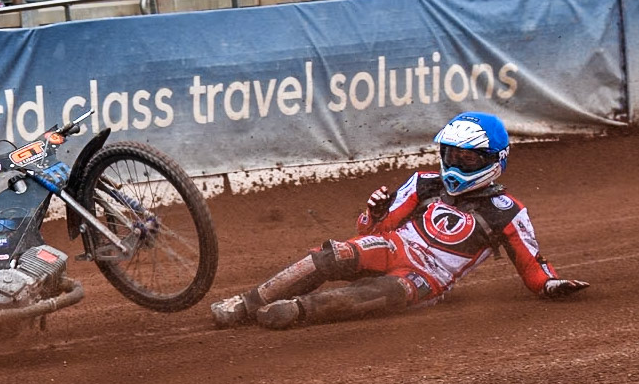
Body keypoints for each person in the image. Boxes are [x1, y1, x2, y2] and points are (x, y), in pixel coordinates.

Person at [210, 112, 590, 330]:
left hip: (429, 278)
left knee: (389, 295)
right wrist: (374, 212)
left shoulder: (508, 210)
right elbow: (371, 232)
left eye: (468, 159)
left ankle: (296, 310)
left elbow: (532, 265)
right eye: (451, 155)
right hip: (393, 247)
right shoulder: (425, 181)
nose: (455, 164)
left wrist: (551, 285)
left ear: (495, 160)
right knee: (333, 254)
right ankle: (245, 304)